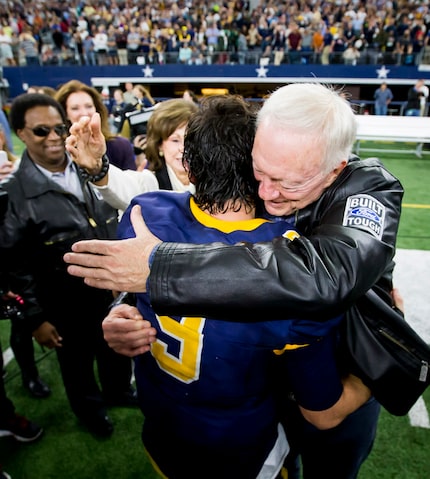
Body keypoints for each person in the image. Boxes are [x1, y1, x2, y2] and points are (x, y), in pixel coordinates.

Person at [64, 83, 404, 479]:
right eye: (258, 170)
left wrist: (160, 269)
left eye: (288, 182)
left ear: (335, 171)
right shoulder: (272, 238)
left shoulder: (147, 211)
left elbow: (318, 276)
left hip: (186, 425)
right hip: (247, 438)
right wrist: (122, 307)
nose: (267, 193)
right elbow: (322, 409)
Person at [0, 93, 137, 437]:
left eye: (59, 128)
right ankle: (91, 413)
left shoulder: (87, 162)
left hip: (110, 289)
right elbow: (15, 263)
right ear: (21, 133)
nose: (53, 137)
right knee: (76, 365)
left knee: (115, 350)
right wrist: (35, 319)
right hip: (63, 303)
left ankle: (118, 391)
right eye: (41, 130)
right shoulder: (15, 191)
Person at [69, 99, 198, 213]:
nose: (183, 148)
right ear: (160, 145)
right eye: (175, 140)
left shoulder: (214, 182)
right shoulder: (150, 184)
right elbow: (123, 187)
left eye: (190, 140)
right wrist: (97, 167)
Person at [0, 128, 50, 398]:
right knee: (19, 322)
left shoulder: (17, 167)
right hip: (7, 264)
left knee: (28, 316)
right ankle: (29, 375)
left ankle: (31, 374)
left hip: (27, 257)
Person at [55, 80, 137, 171]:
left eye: (89, 106)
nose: (84, 113)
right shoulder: (56, 150)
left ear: (96, 109)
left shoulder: (121, 146)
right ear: (65, 114)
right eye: (75, 108)